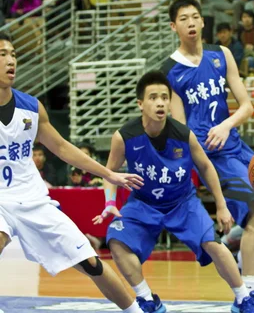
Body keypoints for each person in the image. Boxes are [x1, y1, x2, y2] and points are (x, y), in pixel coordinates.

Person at [162, 0, 254, 313]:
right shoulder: (169, 71)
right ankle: (246, 295)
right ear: (174, 26)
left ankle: (236, 242)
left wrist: (226, 125)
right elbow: (181, 129)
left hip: (236, 146)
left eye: (196, 16)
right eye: (184, 18)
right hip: (211, 158)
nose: (191, 22)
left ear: (203, 22)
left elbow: (247, 106)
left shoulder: (221, 55)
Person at [0, 33, 146, 313]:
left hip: (32, 199)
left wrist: (110, 174)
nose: (10, 60)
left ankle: (133, 311)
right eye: (2, 54)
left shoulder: (31, 107)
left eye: (14, 54)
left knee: (90, 262)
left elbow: (63, 148)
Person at [92, 71, 254, 313]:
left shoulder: (184, 134)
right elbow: (109, 173)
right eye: (153, 97)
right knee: (116, 241)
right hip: (143, 203)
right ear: (140, 103)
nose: (160, 102)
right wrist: (109, 202)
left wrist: (222, 205)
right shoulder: (124, 137)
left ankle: (243, 299)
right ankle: (147, 299)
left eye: (164, 97)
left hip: (182, 202)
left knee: (214, 245)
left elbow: (206, 167)